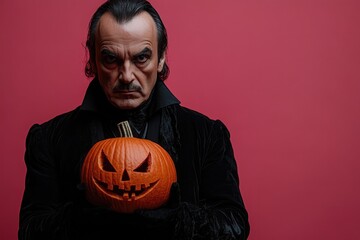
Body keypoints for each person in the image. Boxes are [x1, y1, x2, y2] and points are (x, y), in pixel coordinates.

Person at [18, 0, 250, 239]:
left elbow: (234, 226)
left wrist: (175, 220)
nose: (127, 76)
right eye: (111, 59)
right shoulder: (48, 138)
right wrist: (79, 219)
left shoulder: (206, 134)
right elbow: (30, 230)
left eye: (141, 58)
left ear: (160, 59)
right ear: (93, 61)